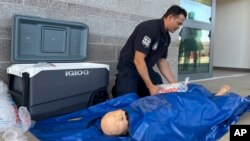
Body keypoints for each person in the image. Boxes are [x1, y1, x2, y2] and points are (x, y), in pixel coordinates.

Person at [112, 5, 187, 98]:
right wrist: (150, 86)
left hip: (145, 66)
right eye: (178, 23)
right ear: (170, 17)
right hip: (130, 65)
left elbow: (161, 61)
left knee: (158, 84)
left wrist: (174, 84)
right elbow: (138, 59)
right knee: (128, 98)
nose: (179, 27)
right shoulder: (150, 28)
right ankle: (120, 88)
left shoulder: (166, 38)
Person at [101, 85, 231, 136]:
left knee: (189, 96)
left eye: (115, 113)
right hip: (177, 112)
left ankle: (209, 99)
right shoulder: (143, 131)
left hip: (168, 102)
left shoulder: (132, 107)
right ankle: (215, 99)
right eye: (120, 119)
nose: (120, 114)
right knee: (197, 110)